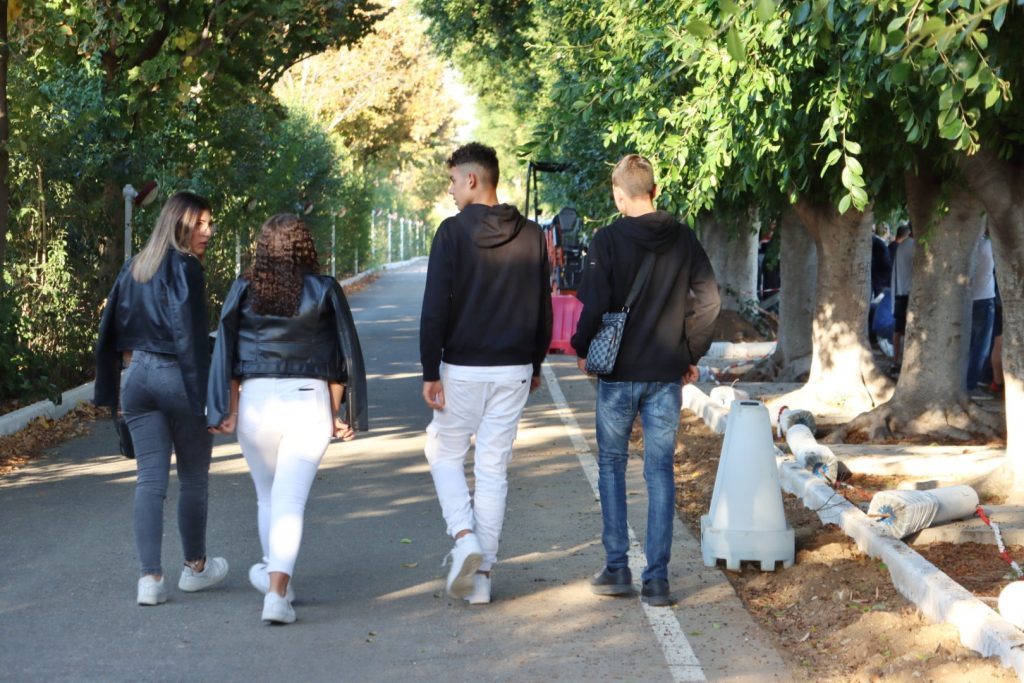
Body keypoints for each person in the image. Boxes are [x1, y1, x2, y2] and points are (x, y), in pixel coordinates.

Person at [571, 154, 720, 607]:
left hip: (617, 374)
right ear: (654, 190)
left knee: (612, 467)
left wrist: (581, 348)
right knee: (659, 472)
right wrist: (689, 351)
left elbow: (594, 304)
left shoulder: (607, 239)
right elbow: (710, 301)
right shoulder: (683, 239)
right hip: (664, 375)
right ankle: (657, 579)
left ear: (620, 195)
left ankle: (617, 569)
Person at [207, 213, 368, 625]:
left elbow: (225, 351)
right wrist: (338, 413)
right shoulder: (324, 289)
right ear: (305, 247)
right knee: (290, 500)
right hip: (308, 400)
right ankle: (277, 592)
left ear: (263, 247)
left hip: (256, 402)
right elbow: (340, 357)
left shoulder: (244, 289)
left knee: (267, 496)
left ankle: (276, 578)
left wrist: (225, 407)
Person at [420, 142, 552, 605]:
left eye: (454, 180)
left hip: (463, 368)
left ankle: (464, 538)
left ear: (472, 179)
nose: (452, 191)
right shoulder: (533, 235)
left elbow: (435, 308)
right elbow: (543, 309)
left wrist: (428, 370)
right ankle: (483, 579)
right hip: (514, 368)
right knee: (493, 469)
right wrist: (534, 363)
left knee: (442, 451)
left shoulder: (452, 234)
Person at [95, 191, 228, 606]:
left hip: (137, 377)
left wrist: (111, 389)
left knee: (149, 481)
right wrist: (208, 401)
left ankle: (149, 580)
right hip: (178, 374)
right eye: (201, 223)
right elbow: (189, 338)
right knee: (192, 478)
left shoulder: (134, 266)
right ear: (179, 223)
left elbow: (109, 330)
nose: (208, 231)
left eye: (209, 223)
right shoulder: (186, 267)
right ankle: (195, 568)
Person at [967, 231, 996, 392]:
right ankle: (970, 384)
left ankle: (965, 381)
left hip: (967, 300)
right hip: (985, 299)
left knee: (968, 344)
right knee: (981, 347)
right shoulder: (989, 245)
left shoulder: (967, 245)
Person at [889, 223, 915, 377]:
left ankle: (895, 361)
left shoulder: (902, 246)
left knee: (898, 330)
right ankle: (905, 363)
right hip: (909, 292)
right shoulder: (913, 247)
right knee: (907, 330)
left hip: (900, 291)